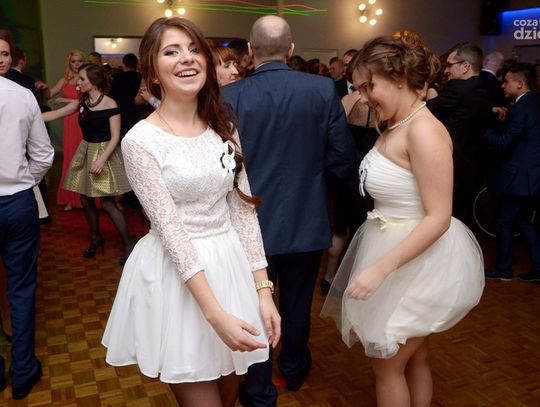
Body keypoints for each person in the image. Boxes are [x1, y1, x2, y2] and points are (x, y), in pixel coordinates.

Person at [102, 17, 281, 407]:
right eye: (171, 51)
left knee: (229, 395)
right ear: (153, 71)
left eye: (194, 49)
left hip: (229, 267)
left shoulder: (224, 125)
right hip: (177, 278)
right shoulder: (140, 141)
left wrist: (263, 292)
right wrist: (215, 315)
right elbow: (171, 232)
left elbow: (243, 210)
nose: (187, 58)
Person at [321, 33, 485, 407]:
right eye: (358, 88)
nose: (363, 97)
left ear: (398, 78)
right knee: (414, 357)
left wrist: (380, 270)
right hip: (393, 250)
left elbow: (439, 217)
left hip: (416, 261)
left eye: (369, 86)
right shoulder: (398, 122)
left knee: (387, 365)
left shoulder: (424, 130)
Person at [223, 15, 356, 406]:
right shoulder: (322, 89)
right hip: (305, 218)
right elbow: (342, 156)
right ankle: (294, 368)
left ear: (250, 51)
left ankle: (258, 387)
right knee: (297, 302)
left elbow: (221, 165)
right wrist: (316, 185)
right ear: (291, 49)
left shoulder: (230, 96)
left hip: (249, 222)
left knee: (254, 304)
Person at [0, 29, 53, 399]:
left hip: (17, 199)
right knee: (20, 288)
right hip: (18, 202)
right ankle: (22, 371)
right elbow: (44, 155)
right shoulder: (22, 95)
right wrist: (22, 182)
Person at [63, 63, 134, 263]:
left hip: (104, 152)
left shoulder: (110, 103)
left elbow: (115, 137)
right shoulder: (83, 102)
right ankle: (96, 238)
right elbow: (57, 113)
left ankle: (128, 242)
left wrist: (101, 160)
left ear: (93, 82)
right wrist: (28, 117)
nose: (78, 82)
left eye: (82, 79)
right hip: (86, 150)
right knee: (85, 199)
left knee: (107, 202)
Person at [484, 63, 540, 282]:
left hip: (520, 177)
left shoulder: (520, 108)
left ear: (520, 83)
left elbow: (504, 143)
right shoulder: (534, 102)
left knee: (504, 220)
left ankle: (504, 268)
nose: (503, 85)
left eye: (506, 81)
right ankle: (538, 268)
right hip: (532, 176)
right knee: (523, 221)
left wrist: (482, 130)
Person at [37, 49, 86, 211]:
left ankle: (88, 197)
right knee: (71, 157)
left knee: (85, 157)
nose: (77, 64)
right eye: (73, 61)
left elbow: (87, 99)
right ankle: (71, 198)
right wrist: (45, 88)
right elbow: (49, 95)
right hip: (70, 120)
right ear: (69, 63)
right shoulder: (65, 79)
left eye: (79, 61)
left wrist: (64, 99)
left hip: (83, 119)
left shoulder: (86, 77)